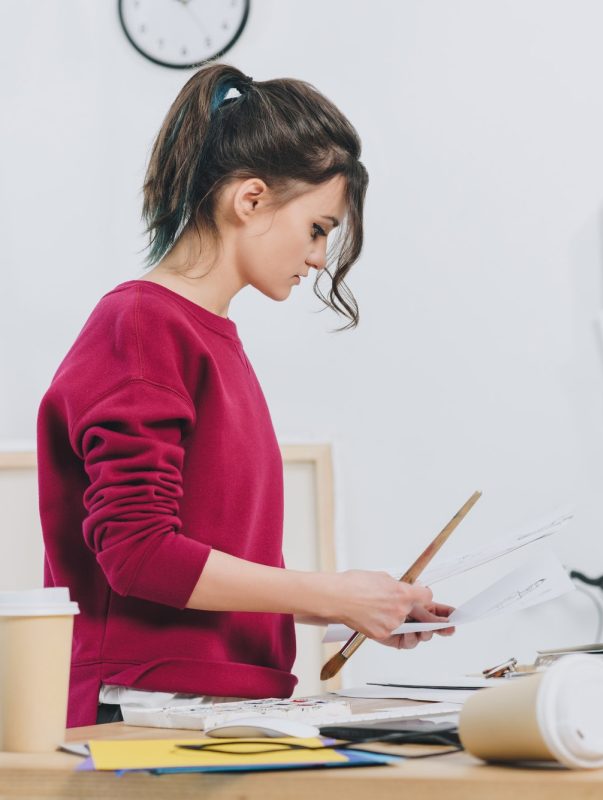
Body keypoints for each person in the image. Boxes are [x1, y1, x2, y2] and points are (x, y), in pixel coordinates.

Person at [37, 63, 454, 729]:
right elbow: (138, 553)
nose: (320, 257)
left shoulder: (205, 338)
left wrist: (352, 606)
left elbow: (204, 563)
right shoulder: (144, 327)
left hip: (204, 704)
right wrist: (330, 594)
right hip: (148, 710)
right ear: (251, 200)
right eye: (318, 227)